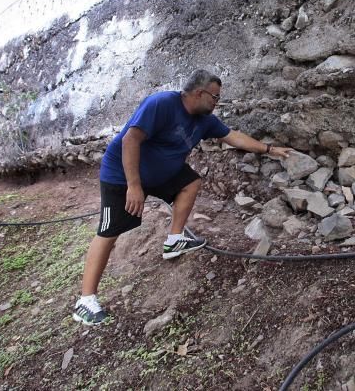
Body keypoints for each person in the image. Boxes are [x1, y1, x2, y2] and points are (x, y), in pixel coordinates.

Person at [73, 69, 292, 325]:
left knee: (191, 182)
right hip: (122, 176)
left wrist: (270, 149)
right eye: (215, 97)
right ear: (199, 93)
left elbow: (234, 138)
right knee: (109, 232)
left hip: (161, 174)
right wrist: (134, 186)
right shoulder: (162, 104)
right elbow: (130, 140)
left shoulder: (205, 120)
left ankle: (175, 239)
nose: (217, 102)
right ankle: (85, 300)